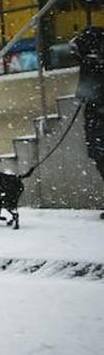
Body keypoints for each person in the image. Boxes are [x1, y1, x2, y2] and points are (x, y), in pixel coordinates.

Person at [70, 26, 104, 218]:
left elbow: (83, 92)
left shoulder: (91, 63)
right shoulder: (91, 62)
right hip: (96, 116)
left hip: (96, 117)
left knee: (100, 158)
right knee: (100, 157)